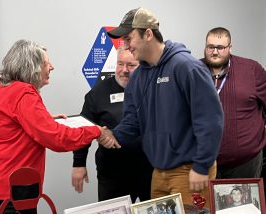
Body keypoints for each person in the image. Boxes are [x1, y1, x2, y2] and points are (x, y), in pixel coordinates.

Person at [0, 39, 119, 214]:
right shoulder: (24, 93)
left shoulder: (4, 87)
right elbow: (56, 139)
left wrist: (43, 119)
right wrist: (96, 131)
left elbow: (8, 124)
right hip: (13, 188)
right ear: (32, 67)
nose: (51, 67)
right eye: (46, 63)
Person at [105, 7, 224, 208]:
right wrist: (108, 135)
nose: (125, 45)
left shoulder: (186, 66)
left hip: (190, 171)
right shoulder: (139, 76)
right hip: (158, 172)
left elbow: (210, 120)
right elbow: (132, 121)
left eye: (129, 38)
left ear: (148, 34)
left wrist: (202, 166)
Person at [71, 46, 153, 202]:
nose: (124, 70)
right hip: (113, 173)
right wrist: (78, 164)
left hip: (149, 171)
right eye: (120, 64)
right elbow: (84, 128)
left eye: (131, 65)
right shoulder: (98, 92)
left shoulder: (152, 88)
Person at [202, 27, 266, 180]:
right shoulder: (193, 70)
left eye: (221, 47)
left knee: (244, 204)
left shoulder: (251, 70)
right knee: (205, 205)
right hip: (204, 162)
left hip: (245, 162)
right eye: (210, 47)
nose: (215, 52)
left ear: (230, 47)